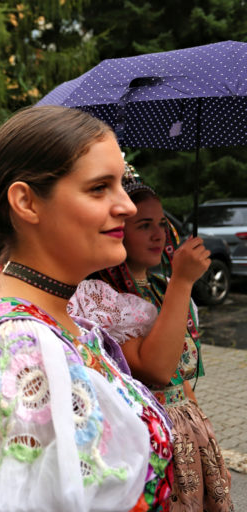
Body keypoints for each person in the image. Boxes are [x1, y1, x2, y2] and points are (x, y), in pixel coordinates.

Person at [0, 106, 175, 512]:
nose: (127, 206)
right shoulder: (19, 347)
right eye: (99, 188)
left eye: (121, 185)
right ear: (27, 202)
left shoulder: (50, 316)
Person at [68, 166, 233, 511]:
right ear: (117, 231)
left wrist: (209, 443)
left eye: (161, 224)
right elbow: (155, 371)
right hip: (147, 438)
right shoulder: (100, 296)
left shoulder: (163, 289)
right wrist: (183, 281)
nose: (159, 235)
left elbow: (182, 381)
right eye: (144, 226)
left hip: (190, 437)